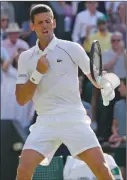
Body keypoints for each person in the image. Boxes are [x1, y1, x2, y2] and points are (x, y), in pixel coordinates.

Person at [15, 4, 114, 180]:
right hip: (45, 121)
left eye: (48, 21)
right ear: (32, 26)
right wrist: (37, 73)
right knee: (23, 169)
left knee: (101, 169)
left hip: (73, 118)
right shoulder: (25, 57)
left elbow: (96, 80)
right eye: (40, 23)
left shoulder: (73, 48)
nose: (44, 26)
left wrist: (106, 82)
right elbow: (21, 99)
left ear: (54, 23)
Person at [109, 78, 126, 179]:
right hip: (121, 147)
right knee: (120, 175)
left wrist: (123, 138)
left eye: (121, 86)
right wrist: (115, 134)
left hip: (123, 141)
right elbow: (114, 124)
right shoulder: (118, 105)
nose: (119, 89)